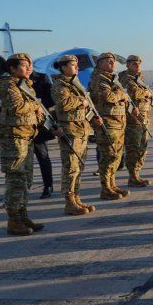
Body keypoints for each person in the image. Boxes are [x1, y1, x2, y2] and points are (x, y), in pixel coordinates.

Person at [0, 53, 46, 235]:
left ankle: (23, 216)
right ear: (13, 68)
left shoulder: (25, 86)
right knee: (16, 181)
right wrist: (36, 105)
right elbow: (17, 107)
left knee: (26, 181)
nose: (29, 68)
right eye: (25, 65)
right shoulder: (8, 85)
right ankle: (13, 220)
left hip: (27, 138)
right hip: (13, 140)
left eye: (29, 65)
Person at [51, 54, 95, 215]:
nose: (76, 67)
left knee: (78, 168)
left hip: (81, 130)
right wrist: (81, 101)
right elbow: (64, 104)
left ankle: (76, 198)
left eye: (77, 64)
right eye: (72, 64)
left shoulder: (75, 84)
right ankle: (69, 202)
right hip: (69, 131)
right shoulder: (59, 85)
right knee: (70, 168)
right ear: (63, 67)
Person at [89, 52, 130, 200]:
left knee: (116, 157)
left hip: (117, 123)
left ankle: (112, 185)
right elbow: (109, 97)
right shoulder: (99, 79)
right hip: (108, 123)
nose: (112, 64)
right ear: (99, 63)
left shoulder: (111, 79)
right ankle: (105, 188)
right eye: (108, 61)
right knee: (107, 157)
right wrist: (120, 93)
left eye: (113, 61)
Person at [119, 55, 153, 187]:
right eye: (134, 63)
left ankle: (137, 173)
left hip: (143, 118)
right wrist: (146, 94)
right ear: (128, 65)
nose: (137, 65)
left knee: (142, 148)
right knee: (133, 148)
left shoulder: (139, 78)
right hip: (132, 120)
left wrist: (146, 94)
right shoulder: (125, 78)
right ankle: (132, 176)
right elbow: (133, 93)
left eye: (138, 63)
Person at [29, 69, 55, 198]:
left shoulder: (42, 78)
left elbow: (50, 101)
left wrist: (37, 105)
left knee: (43, 156)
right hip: (19, 127)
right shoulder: (12, 81)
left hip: (37, 126)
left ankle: (48, 186)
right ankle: (19, 193)